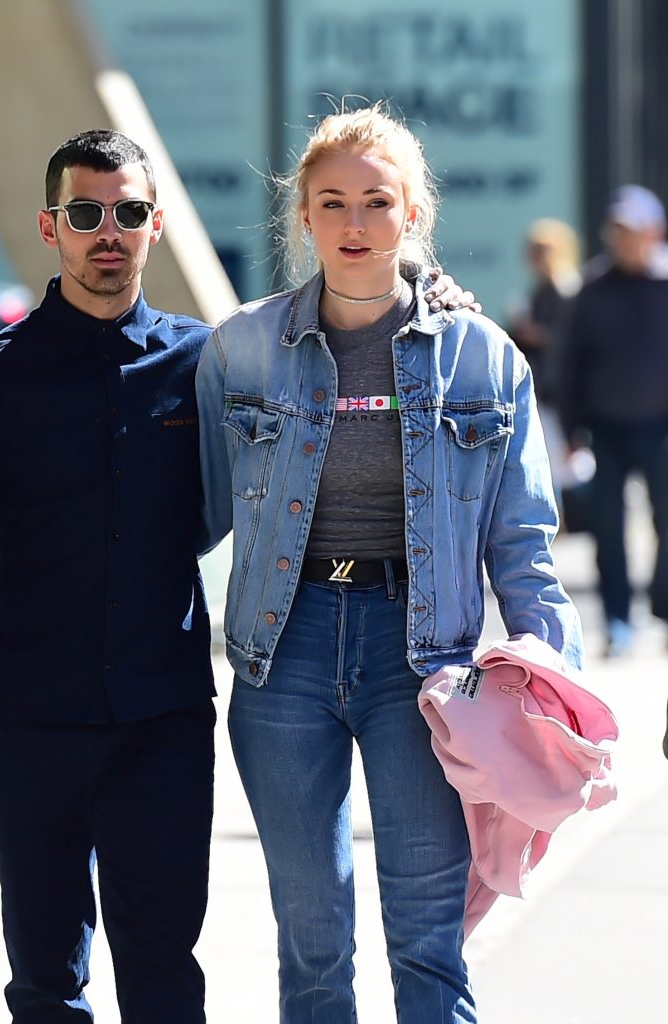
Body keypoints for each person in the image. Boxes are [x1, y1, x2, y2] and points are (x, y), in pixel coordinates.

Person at [0, 128, 475, 1023]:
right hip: (28, 716)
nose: (107, 232)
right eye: (86, 213)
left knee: (163, 963)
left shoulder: (211, 362)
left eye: (127, 213)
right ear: (51, 227)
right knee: (46, 975)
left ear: (155, 225)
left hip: (161, 719)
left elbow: (323, 334)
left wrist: (426, 290)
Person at [196, 104, 583, 1024]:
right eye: (334, 203)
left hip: (425, 664)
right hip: (278, 657)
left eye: (378, 201)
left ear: (414, 214)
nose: (357, 224)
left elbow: (522, 540)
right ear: (305, 218)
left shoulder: (484, 358)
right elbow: (190, 516)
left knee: (428, 939)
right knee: (314, 939)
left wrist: (552, 679)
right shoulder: (242, 346)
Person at [558, 185, 668, 657]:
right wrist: (570, 429)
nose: (623, 241)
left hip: (662, 428)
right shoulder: (592, 290)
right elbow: (570, 363)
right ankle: (619, 618)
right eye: (616, 232)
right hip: (606, 426)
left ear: (654, 233)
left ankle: (661, 606)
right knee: (608, 527)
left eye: (632, 232)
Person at [506, 218, 582, 499]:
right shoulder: (538, 290)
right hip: (542, 385)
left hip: (560, 389)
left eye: (541, 251)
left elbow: (572, 340)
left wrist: (536, 333)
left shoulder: (566, 289)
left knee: (564, 459)